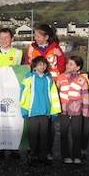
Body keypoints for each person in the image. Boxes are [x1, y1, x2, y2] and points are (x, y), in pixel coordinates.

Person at [24, 24, 66, 161]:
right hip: (35, 89)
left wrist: (60, 57)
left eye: (37, 36)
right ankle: (32, 151)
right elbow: (26, 66)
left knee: (49, 124)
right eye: (35, 36)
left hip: (51, 86)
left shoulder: (56, 48)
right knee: (34, 126)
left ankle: (47, 151)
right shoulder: (31, 48)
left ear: (46, 37)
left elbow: (62, 67)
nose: (35, 38)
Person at [0, 28, 24, 159]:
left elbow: (23, 70)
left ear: (12, 39)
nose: (4, 40)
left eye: (6, 38)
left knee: (14, 118)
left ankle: (14, 147)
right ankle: (0, 147)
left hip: (14, 92)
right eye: (1, 38)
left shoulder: (19, 53)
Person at [20, 56, 61, 166]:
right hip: (32, 112)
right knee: (33, 136)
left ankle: (43, 156)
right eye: (39, 64)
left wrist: (54, 112)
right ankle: (32, 157)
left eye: (44, 64)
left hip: (45, 112)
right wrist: (24, 110)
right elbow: (23, 94)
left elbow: (53, 96)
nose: (42, 66)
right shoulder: (29, 78)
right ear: (34, 66)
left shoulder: (49, 79)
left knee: (44, 136)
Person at [56, 55, 89, 164]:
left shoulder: (82, 79)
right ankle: (66, 156)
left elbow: (86, 96)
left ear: (78, 67)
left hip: (77, 111)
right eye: (67, 63)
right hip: (63, 110)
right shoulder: (60, 77)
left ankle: (77, 155)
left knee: (77, 134)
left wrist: (86, 112)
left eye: (71, 64)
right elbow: (55, 94)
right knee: (64, 133)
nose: (68, 65)